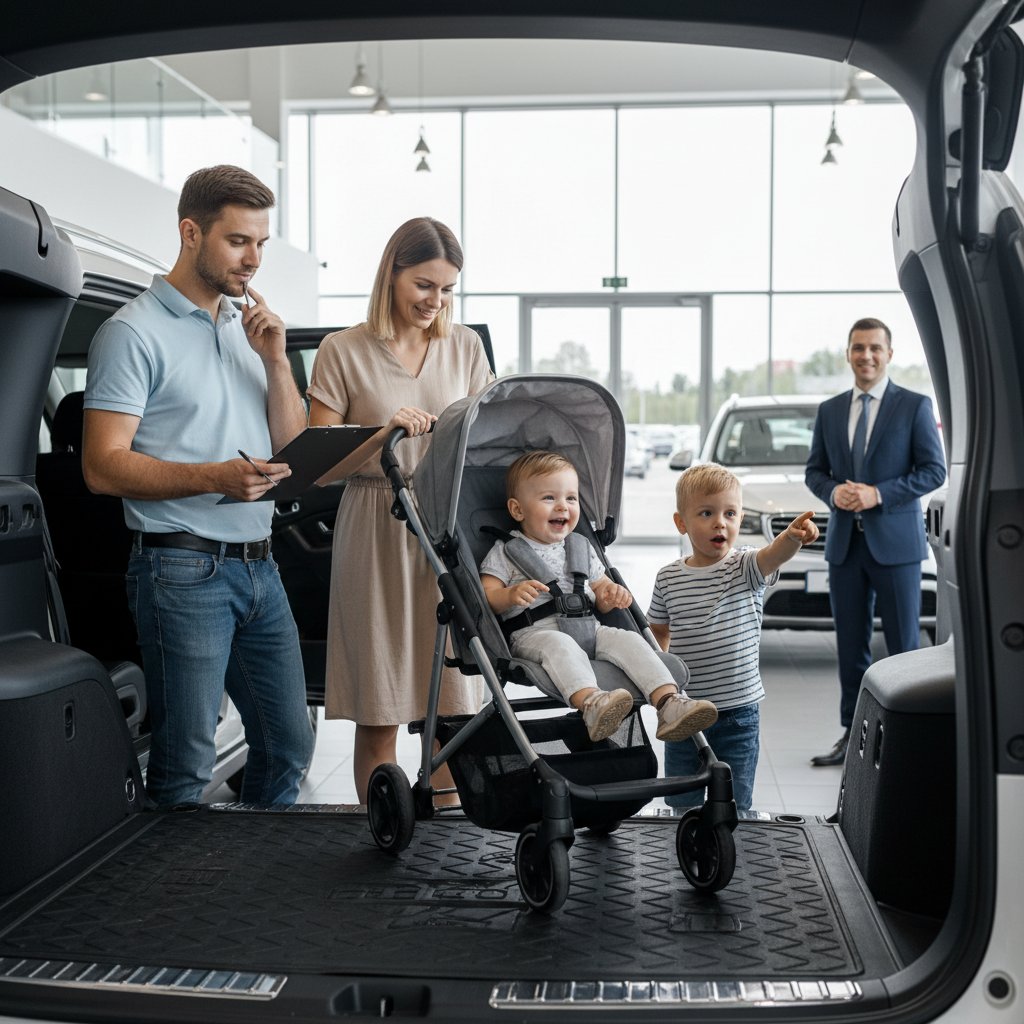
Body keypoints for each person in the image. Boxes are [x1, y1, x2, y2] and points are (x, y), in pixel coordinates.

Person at [82, 164, 314, 807]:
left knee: (289, 745)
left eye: (262, 243)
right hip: (181, 569)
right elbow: (101, 466)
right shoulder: (132, 332)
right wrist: (214, 477)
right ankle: (175, 909)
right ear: (191, 232)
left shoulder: (250, 327)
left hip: (260, 568)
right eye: (240, 241)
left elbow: (291, 444)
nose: (254, 259)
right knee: (184, 768)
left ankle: (249, 890)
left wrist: (274, 358)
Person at [306, 217, 493, 805]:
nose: (435, 302)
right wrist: (383, 432)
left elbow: (488, 440)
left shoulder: (463, 345)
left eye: (447, 290)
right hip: (376, 525)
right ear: (392, 274)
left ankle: (445, 845)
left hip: (445, 529)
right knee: (380, 706)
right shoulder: (343, 350)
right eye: (424, 285)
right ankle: (381, 841)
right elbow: (320, 465)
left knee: (453, 710)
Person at [480, 450, 719, 743]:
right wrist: (510, 594)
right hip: (535, 633)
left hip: (589, 628)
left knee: (629, 639)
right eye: (549, 498)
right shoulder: (505, 552)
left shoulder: (580, 547)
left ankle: (669, 702)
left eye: (571, 498)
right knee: (560, 644)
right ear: (518, 510)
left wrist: (611, 595)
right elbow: (487, 596)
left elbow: (601, 593)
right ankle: (592, 704)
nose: (563, 507)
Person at [805, 317, 946, 766]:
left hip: (897, 546)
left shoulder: (915, 406)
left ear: (889, 353)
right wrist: (833, 492)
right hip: (845, 546)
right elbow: (815, 471)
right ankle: (852, 735)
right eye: (858, 348)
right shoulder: (829, 410)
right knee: (851, 646)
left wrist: (877, 493)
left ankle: (906, 740)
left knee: (904, 644)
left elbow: (933, 471)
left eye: (875, 348)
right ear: (848, 354)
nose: (866, 356)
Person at [648, 463, 820, 810]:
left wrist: (791, 537)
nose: (720, 522)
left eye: (730, 513)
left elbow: (774, 555)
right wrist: (660, 690)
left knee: (736, 801)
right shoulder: (668, 577)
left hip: (739, 711)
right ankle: (688, 846)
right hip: (686, 712)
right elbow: (659, 634)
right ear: (682, 523)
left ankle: (729, 848)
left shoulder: (744, 567)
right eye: (706, 513)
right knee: (682, 800)